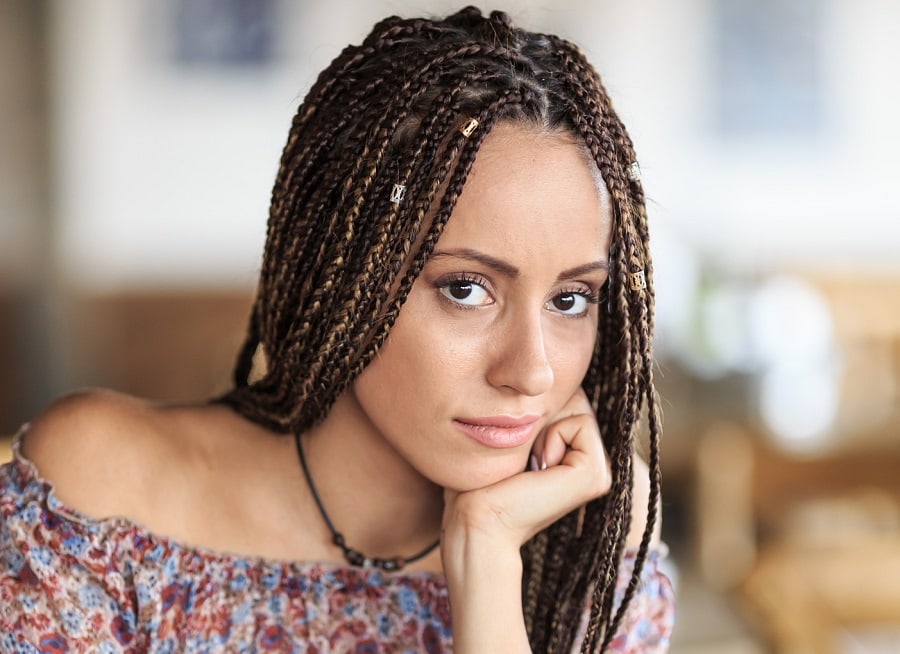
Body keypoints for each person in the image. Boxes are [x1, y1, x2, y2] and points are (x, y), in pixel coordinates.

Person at [0, 6, 673, 652]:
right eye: (466, 289)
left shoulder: (599, 527)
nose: (531, 372)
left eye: (571, 299)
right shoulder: (105, 492)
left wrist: (489, 559)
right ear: (344, 267)